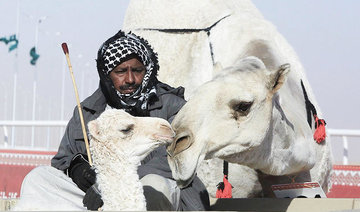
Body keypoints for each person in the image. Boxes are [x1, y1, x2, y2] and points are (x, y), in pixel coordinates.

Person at [14, 30, 210, 211]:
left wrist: (111, 180)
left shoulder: (172, 106)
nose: (130, 79)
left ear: (147, 70)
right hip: (99, 195)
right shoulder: (89, 111)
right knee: (38, 179)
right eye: (121, 72)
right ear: (107, 75)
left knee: (153, 185)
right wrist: (77, 169)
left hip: (157, 192)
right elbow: (62, 161)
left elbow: (180, 159)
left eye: (137, 70)